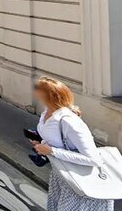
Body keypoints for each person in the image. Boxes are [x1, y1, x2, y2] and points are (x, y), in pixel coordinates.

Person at [31, 76, 113, 211]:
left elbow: (93, 159)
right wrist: (40, 143)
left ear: (49, 95)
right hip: (60, 174)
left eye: (39, 89)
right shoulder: (46, 113)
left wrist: (51, 151)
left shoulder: (69, 121)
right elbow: (56, 140)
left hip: (80, 180)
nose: (35, 91)